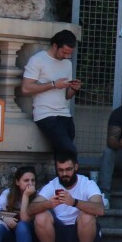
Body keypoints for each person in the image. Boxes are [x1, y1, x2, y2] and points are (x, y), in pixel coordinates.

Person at [28, 152, 104, 242]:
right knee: (41, 215)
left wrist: (74, 202)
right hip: (58, 235)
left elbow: (100, 209)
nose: (64, 174)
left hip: (83, 234)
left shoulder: (88, 184)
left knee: (87, 215)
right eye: (60, 170)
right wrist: (47, 204)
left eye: (68, 169)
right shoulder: (52, 185)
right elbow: (29, 210)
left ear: (76, 167)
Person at [21, 29, 81, 158]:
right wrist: (53, 84)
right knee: (70, 152)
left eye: (69, 54)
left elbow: (67, 96)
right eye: (64, 52)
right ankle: (74, 178)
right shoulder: (38, 60)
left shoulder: (67, 64)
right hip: (46, 115)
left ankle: (63, 178)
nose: (66, 56)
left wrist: (74, 88)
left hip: (64, 114)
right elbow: (26, 88)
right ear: (55, 46)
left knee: (63, 156)